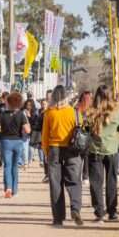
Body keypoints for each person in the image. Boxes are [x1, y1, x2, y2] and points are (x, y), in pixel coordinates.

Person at [41, 85, 83, 227]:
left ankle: (58, 218)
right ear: (66, 96)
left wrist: (47, 152)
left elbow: (45, 136)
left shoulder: (49, 113)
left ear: (53, 97)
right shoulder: (73, 112)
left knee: (55, 184)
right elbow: (80, 128)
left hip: (54, 149)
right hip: (72, 149)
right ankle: (75, 209)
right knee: (74, 180)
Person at [88, 85, 119, 223]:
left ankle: (99, 213)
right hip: (112, 150)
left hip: (95, 151)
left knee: (96, 183)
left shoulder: (91, 112)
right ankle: (112, 212)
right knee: (112, 182)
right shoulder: (116, 112)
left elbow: (85, 130)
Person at [0, 92, 31, 198]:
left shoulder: (3, 115)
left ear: (9, 103)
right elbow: (27, 130)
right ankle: (15, 190)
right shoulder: (21, 114)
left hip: (5, 141)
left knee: (7, 166)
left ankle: (8, 188)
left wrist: (0, 128)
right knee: (15, 166)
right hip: (18, 142)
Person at [75, 91, 92, 185]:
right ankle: (85, 176)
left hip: (78, 135)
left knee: (80, 156)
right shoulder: (90, 109)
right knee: (85, 155)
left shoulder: (77, 108)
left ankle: (81, 175)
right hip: (86, 135)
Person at [23, 99, 38, 168]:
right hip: (25, 132)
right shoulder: (23, 112)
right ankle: (25, 162)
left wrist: (29, 116)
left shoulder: (35, 113)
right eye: (27, 105)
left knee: (31, 149)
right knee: (25, 147)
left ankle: (29, 160)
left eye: (30, 105)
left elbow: (35, 122)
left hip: (32, 132)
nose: (28, 106)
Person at [37, 99, 49, 182]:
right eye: (42, 104)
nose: (43, 105)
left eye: (45, 104)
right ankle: (47, 174)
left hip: (51, 138)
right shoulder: (41, 114)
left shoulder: (50, 112)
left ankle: (50, 174)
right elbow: (38, 126)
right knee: (45, 157)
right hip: (43, 137)